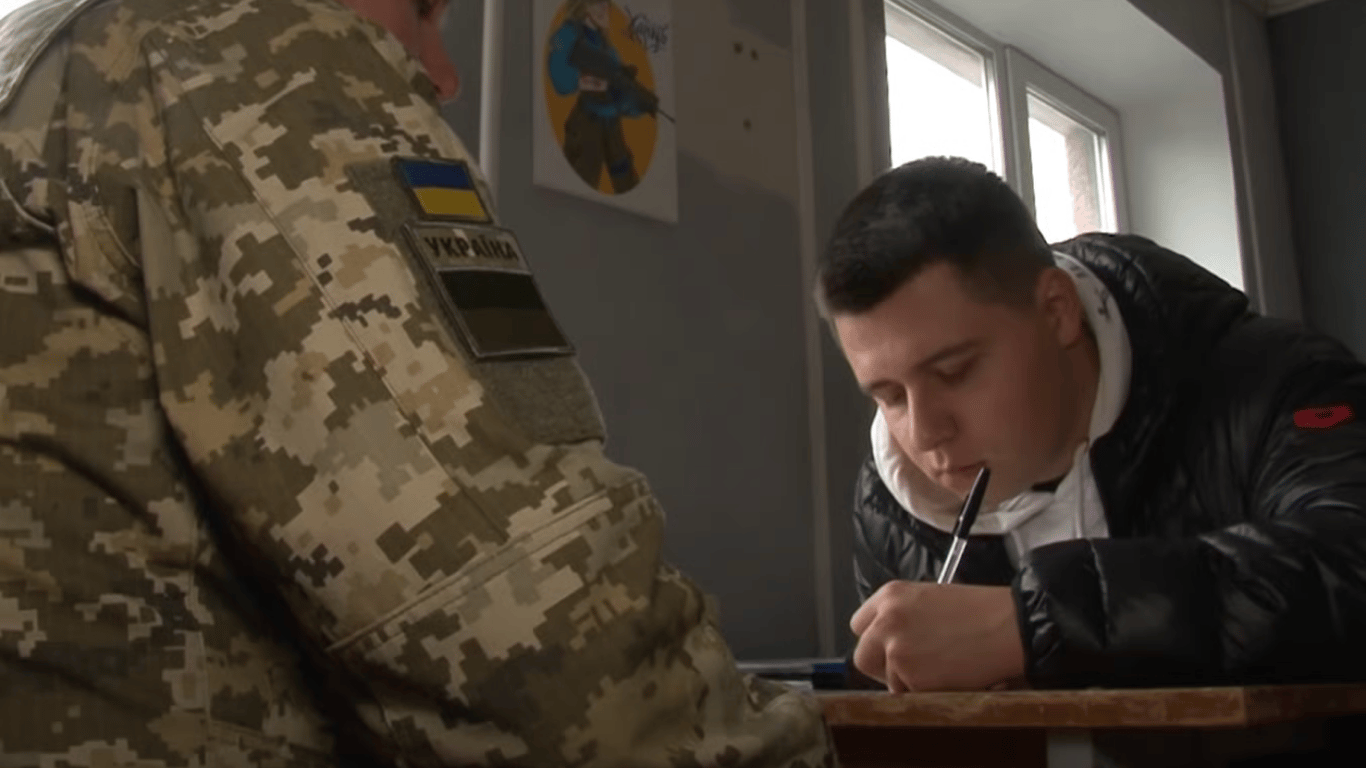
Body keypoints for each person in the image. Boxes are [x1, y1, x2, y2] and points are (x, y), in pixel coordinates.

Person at [0, 0, 836, 765]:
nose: (444, 73)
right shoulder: (250, 46)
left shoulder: (51, 56)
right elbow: (534, 627)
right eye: (425, 10)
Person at [819, 156, 1366, 694]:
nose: (923, 434)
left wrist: (1034, 623)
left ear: (1057, 311)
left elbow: (1350, 558)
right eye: (889, 396)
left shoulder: (1295, 390)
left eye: (954, 371)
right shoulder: (890, 500)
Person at [546, 0, 646, 193]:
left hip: (611, 124)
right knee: (581, 181)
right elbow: (558, 74)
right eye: (596, 4)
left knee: (626, 180)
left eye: (605, 4)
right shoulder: (567, 34)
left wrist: (636, 103)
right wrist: (583, 81)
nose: (604, 10)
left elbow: (620, 91)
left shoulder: (608, 49)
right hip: (587, 122)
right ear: (583, 7)